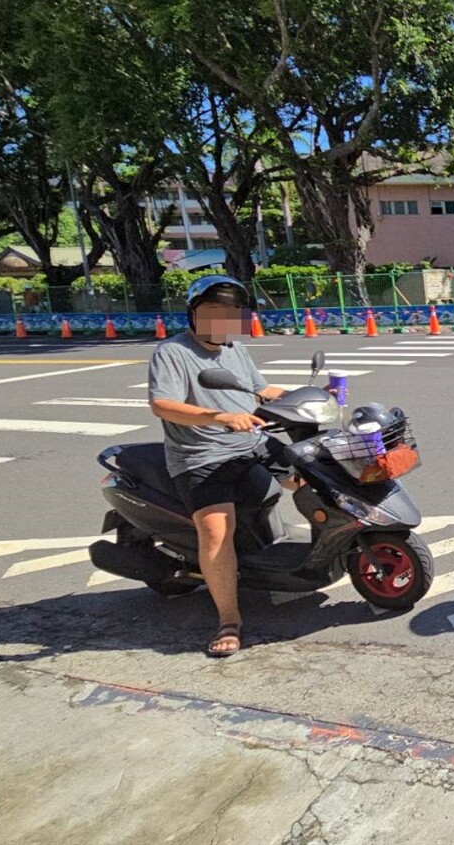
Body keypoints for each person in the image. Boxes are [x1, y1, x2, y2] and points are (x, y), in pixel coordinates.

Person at [147, 275, 292, 656]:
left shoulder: (235, 349)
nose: (222, 321)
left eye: (229, 313)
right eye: (212, 311)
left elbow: (261, 390)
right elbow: (162, 404)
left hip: (251, 443)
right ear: (194, 314)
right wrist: (219, 416)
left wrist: (308, 396)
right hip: (201, 456)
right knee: (215, 533)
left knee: (313, 474)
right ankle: (229, 619)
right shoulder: (172, 353)